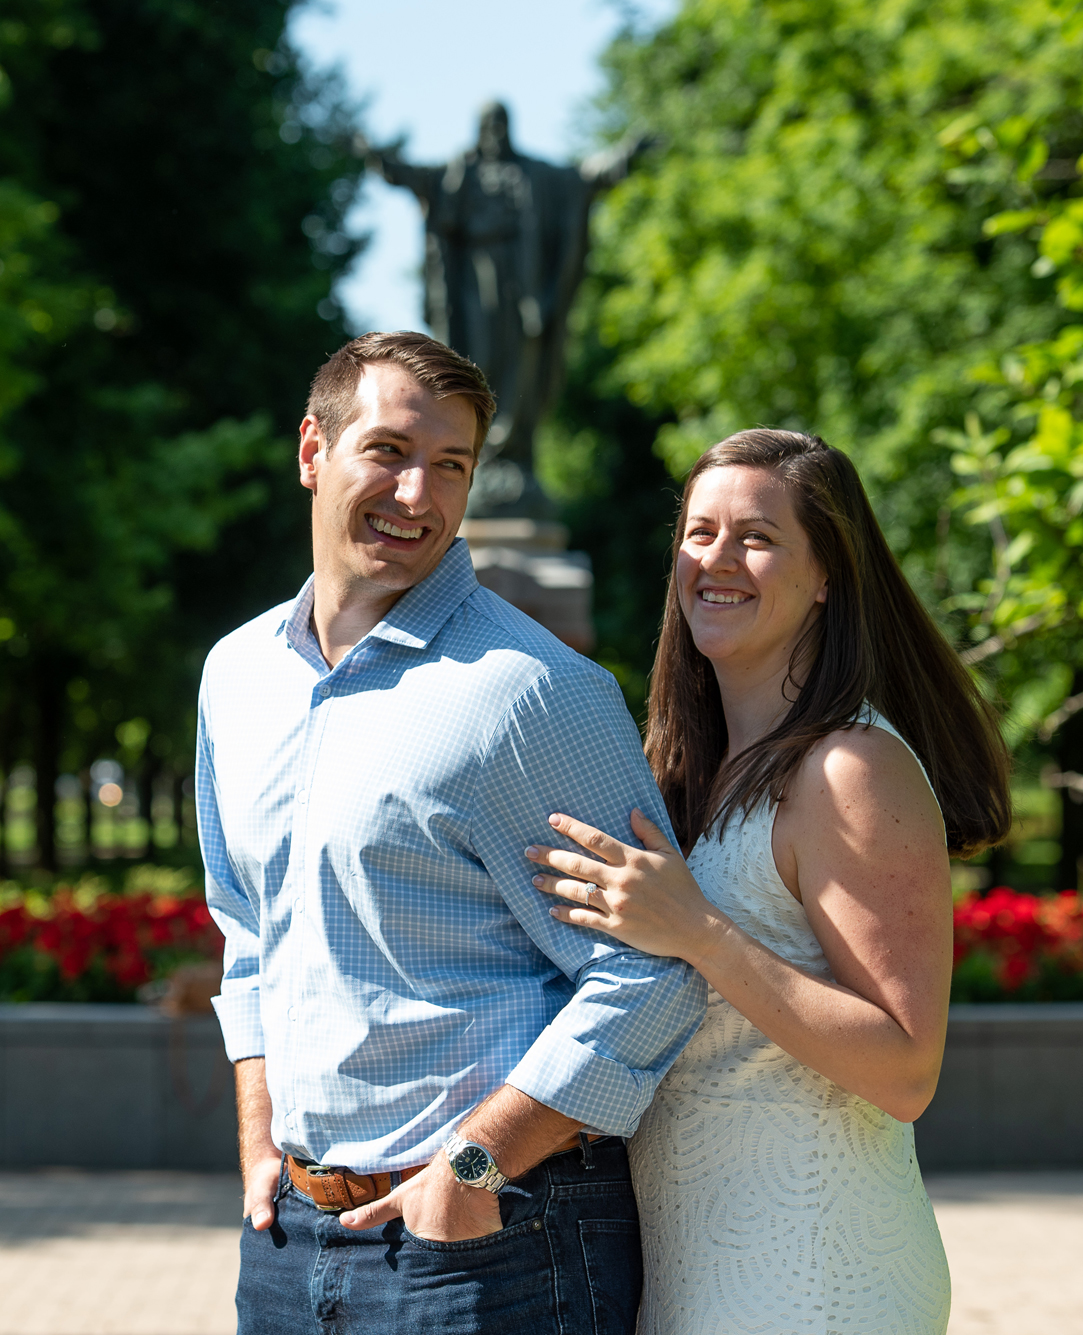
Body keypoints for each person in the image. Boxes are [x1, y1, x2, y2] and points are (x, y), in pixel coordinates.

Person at [197, 331, 707, 1335]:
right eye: (387, 451)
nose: (417, 496)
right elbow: (247, 932)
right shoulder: (235, 675)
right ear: (312, 450)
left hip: (493, 1242)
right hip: (288, 1234)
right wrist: (259, 1147)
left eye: (450, 465)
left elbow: (654, 967)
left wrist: (469, 1170)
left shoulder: (530, 693)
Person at [526, 429, 1012, 1334]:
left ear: (827, 573)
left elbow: (907, 1068)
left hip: (818, 1268)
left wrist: (699, 929)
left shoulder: (850, 768)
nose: (718, 558)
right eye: (699, 531)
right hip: (685, 1265)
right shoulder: (681, 765)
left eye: (757, 536)